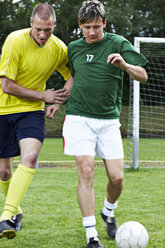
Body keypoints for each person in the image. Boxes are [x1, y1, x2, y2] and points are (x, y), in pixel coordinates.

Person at [46, 1, 148, 247]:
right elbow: (74, 78)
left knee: (117, 178)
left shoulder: (117, 43)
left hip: (109, 121)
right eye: (86, 27)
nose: (91, 32)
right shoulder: (74, 48)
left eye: (96, 27)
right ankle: (91, 235)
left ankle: (108, 211)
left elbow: (143, 75)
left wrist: (124, 65)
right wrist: (59, 101)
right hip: (79, 118)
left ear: (104, 23)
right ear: (80, 25)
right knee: (87, 171)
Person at [0, 3, 72, 239]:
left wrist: (57, 101)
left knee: (30, 156)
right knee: (4, 171)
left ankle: (6, 216)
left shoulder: (59, 48)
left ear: (54, 26)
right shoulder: (14, 40)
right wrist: (44, 95)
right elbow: (6, 86)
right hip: (3, 109)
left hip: (32, 111)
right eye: (39, 29)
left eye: (48, 30)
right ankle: (17, 211)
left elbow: (73, 75)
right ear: (31, 23)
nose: (43, 35)